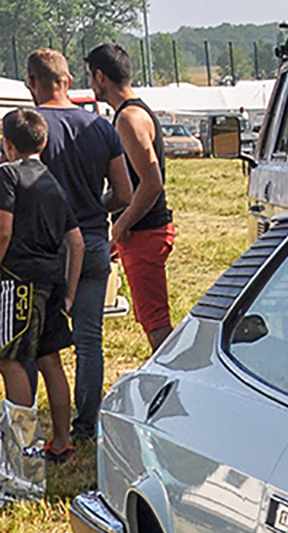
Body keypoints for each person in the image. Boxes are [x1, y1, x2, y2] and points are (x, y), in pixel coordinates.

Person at [27, 48, 131, 442]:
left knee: (36, 342)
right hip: (91, 242)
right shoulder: (101, 128)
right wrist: (91, 207)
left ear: (33, 83)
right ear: (68, 80)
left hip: (43, 248)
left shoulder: (27, 128)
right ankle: (86, 424)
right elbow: (123, 192)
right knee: (90, 340)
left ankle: (33, 424)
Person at [0, 107, 84, 486]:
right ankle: (62, 442)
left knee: (12, 362)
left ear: (7, 144)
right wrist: (68, 292)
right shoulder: (53, 182)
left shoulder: (7, 174)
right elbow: (77, 242)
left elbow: (3, 231)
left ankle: (23, 460)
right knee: (50, 361)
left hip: (17, 281)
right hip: (51, 282)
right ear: (44, 141)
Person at [86, 43, 172, 351]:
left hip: (145, 230)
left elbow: (151, 183)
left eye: (90, 77)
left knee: (155, 321)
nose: (91, 84)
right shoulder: (133, 113)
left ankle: (171, 383)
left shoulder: (128, 119)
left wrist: (122, 224)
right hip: (142, 230)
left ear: (100, 76)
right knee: (149, 316)